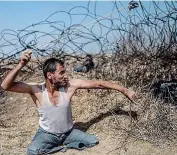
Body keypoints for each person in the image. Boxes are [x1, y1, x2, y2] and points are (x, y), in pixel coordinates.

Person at [1, 49, 137, 155]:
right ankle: (58, 147)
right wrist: (21, 64)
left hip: (69, 133)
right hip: (47, 134)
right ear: (50, 75)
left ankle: (60, 147)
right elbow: (5, 86)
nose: (65, 75)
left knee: (93, 141)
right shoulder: (36, 89)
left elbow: (99, 84)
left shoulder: (70, 86)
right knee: (32, 151)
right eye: (61, 72)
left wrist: (124, 90)